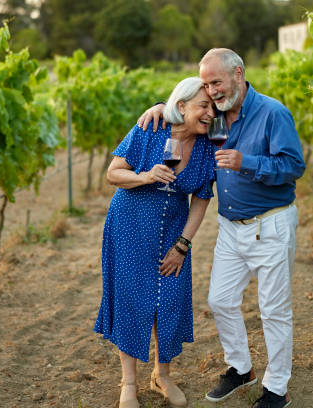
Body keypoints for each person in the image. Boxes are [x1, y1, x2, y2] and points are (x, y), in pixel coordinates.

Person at [137, 48, 306, 408]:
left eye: (216, 82)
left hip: (271, 223)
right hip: (231, 226)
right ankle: (241, 368)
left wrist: (248, 163)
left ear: (238, 74)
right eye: (206, 84)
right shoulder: (215, 116)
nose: (211, 90)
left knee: (273, 310)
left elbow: (293, 166)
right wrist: (158, 107)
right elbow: (186, 111)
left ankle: (277, 388)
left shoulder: (272, 113)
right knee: (220, 300)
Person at [94, 77, 216, 408]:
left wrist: (183, 244)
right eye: (203, 106)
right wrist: (147, 175)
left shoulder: (208, 146)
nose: (209, 113)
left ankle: (162, 376)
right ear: (181, 107)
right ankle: (128, 382)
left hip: (173, 231)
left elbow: (202, 198)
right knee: (133, 299)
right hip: (130, 225)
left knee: (171, 301)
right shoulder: (151, 129)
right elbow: (113, 173)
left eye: (212, 107)